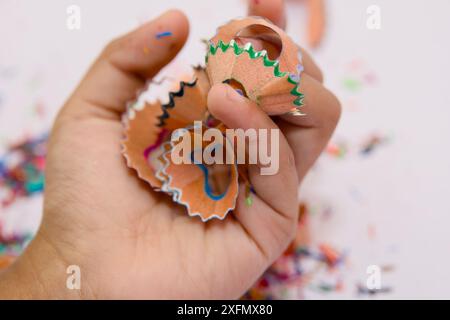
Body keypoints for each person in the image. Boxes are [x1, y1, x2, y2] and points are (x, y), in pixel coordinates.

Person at [0, 0, 340, 299]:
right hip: (180, 156)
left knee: (239, 108)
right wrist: (68, 274)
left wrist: (62, 278)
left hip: (206, 161)